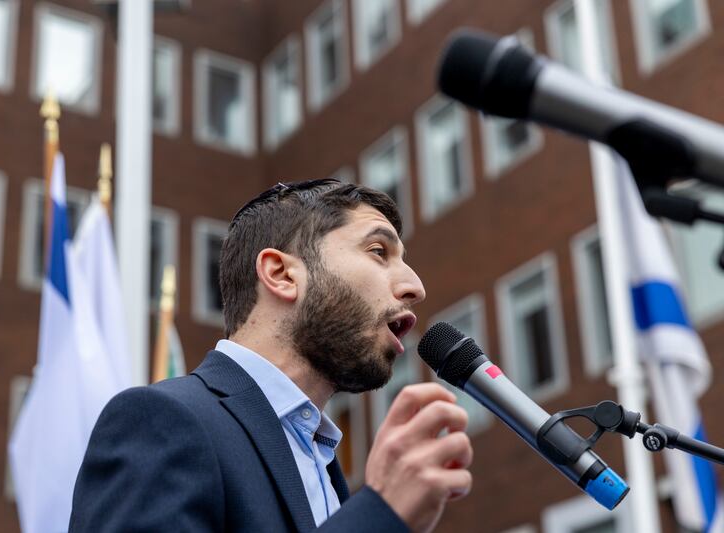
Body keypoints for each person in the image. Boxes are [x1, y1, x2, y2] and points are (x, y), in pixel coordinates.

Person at [69, 179, 473, 533]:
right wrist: (378, 514)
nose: (415, 286)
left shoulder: (326, 468)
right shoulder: (160, 422)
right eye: (378, 251)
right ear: (281, 274)